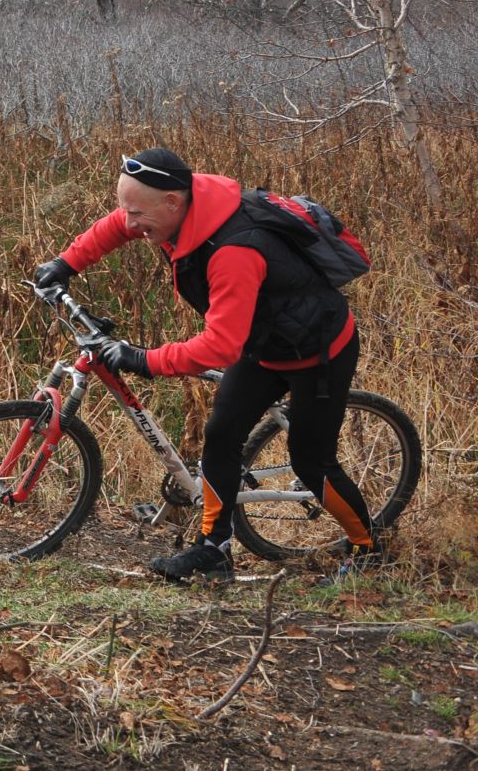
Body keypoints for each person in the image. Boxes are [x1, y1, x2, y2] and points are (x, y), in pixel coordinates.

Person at [32, 147, 380, 582]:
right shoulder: (175, 209)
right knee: (220, 436)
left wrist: (144, 359)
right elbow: (117, 225)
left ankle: (367, 550)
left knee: (312, 461)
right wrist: (66, 263)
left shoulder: (234, 250)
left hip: (317, 352)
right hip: (264, 344)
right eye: (127, 209)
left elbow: (219, 346)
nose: (131, 222)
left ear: (173, 202)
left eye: (138, 212)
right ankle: (214, 550)